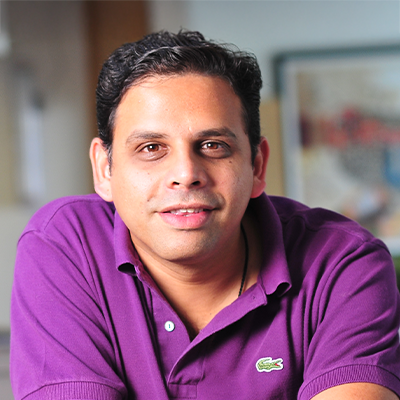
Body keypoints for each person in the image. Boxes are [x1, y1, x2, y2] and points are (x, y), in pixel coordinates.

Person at [10, 30, 400, 400]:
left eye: (213, 145)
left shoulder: (343, 261)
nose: (186, 174)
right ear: (104, 170)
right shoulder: (65, 244)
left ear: (257, 165)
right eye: (151, 148)